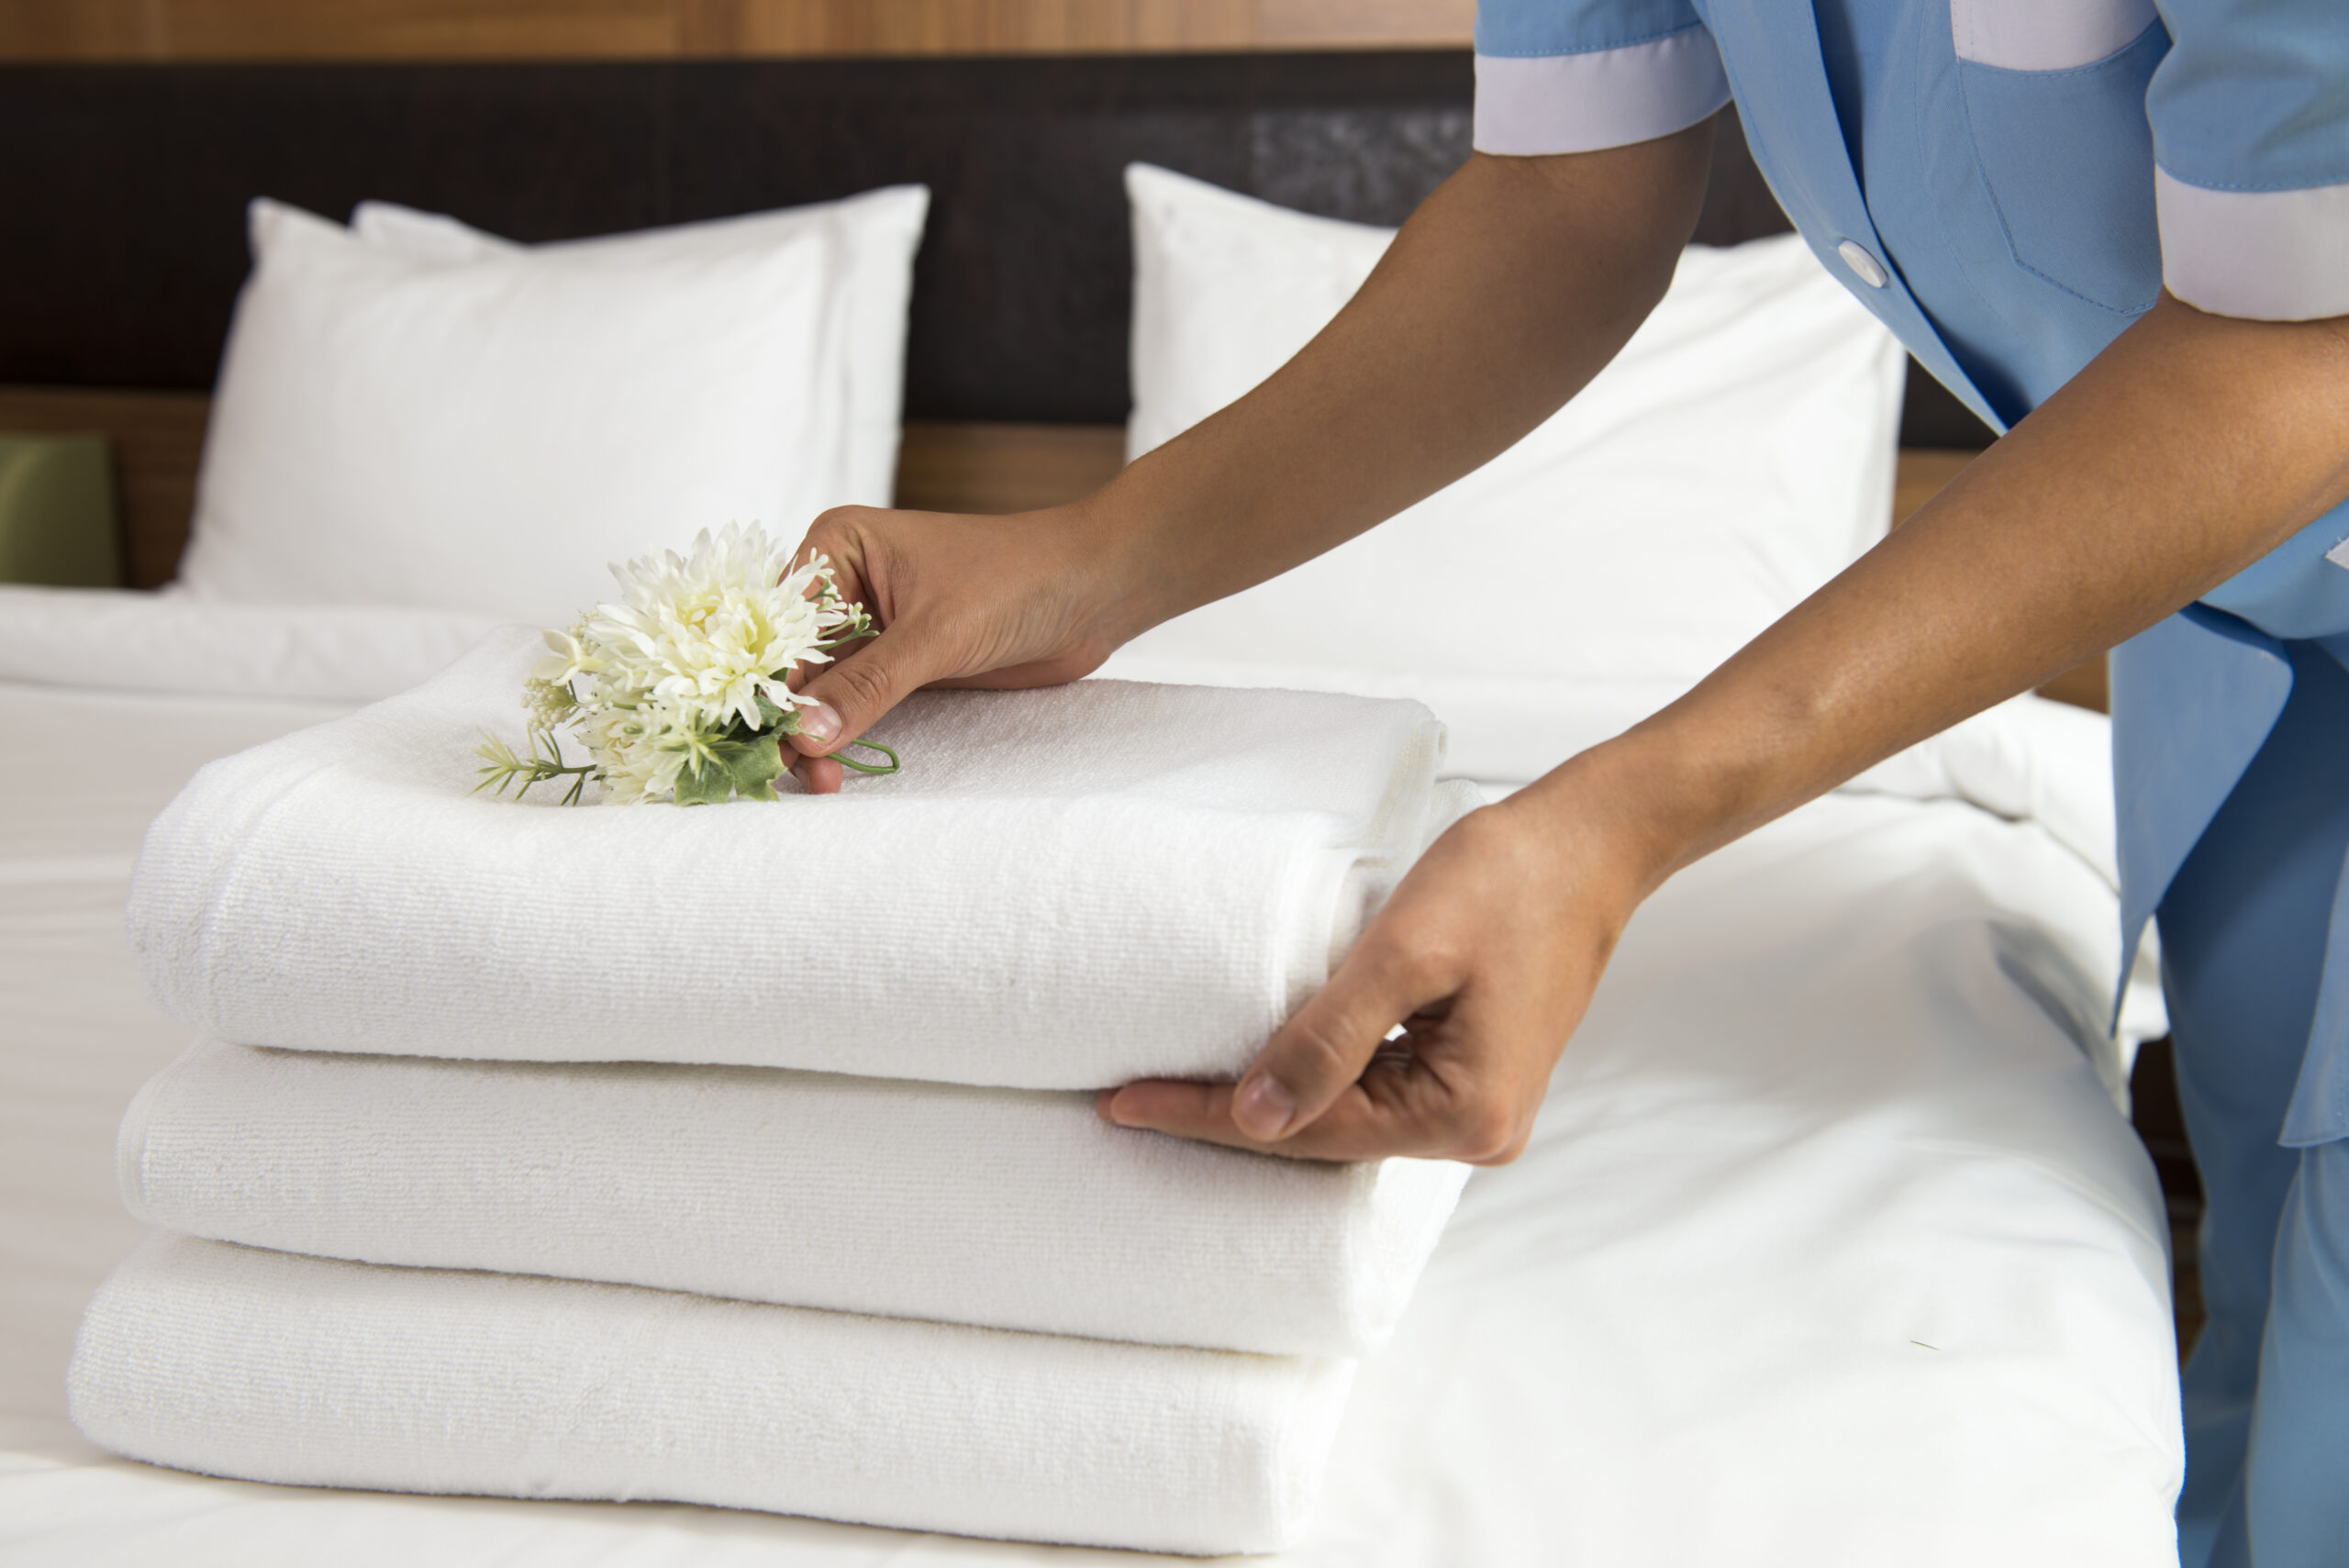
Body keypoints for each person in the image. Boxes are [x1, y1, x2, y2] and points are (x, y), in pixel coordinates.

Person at [782, 6, 2347, 1561]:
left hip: (2273, 479)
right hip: (2244, 632)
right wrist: (1086, 560)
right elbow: (1566, 200)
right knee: (2273, 1338)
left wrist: (1621, 819)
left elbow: (2306, 346)